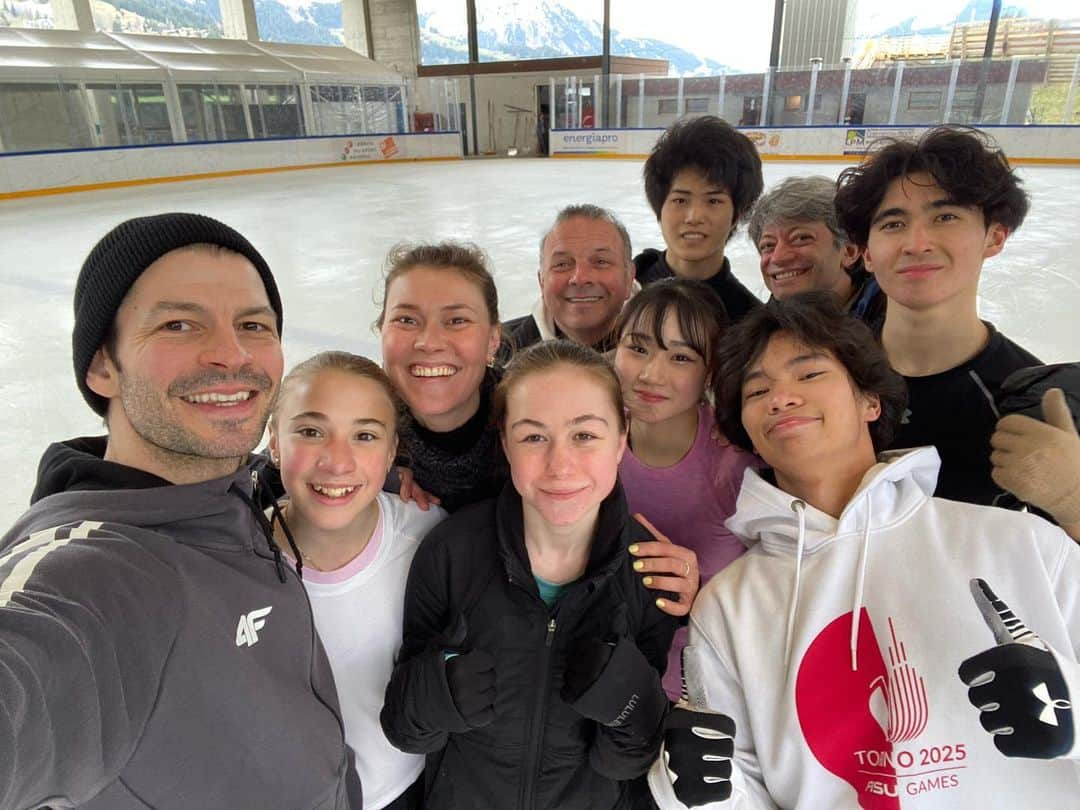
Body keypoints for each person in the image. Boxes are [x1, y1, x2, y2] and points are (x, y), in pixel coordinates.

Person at [648, 293, 1080, 809]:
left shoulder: (1022, 544)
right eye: (756, 389)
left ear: (870, 401)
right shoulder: (729, 606)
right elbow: (735, 787)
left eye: (808, 375)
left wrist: (1069, 703)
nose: (781, 398)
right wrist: (689, 791)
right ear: (750, 438)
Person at [0, 213, 361, 809]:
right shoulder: (97, 576)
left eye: (254, 324)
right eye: (178, 324)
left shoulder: (233, 496)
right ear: (101, 367)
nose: (231, 353)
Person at [381, 340, 680, 809]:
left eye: (584, 436)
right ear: (505, 443)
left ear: (622, 439)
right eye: (533, 437)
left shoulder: (649, 572)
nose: (560, 465)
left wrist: (630, 704)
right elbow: (405, 730)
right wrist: (434, 692)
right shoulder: (449, 552)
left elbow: (627, 763)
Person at [267, 351, 448, 810]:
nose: (337, 461)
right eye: (311, 432)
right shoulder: (233, 558)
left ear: (391, 452)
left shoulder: (428, 536)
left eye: (364, 435)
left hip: (405, 793)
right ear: (273, 443)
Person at [834, 126, 1042, 508]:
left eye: (945, 217)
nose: (916, 244)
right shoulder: (824, 367)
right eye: (893, 224)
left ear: (994, 237)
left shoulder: (1032, 400)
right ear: (866, 253)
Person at [612, 279, 758, 700]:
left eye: (680, 357)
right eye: (637, 348)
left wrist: (700, 599)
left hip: (706, 694)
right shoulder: (585, 437)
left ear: (710, 371)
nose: (650, 374)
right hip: (598, 686)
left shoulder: (741, 462)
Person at [377, 242, 506, 513]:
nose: (429, 342)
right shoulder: (351, 420)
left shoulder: (535, 416)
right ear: (381, 330)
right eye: (407, 320)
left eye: (457, 320)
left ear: (493, 339)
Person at [635, 116, 764, 323]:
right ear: (659, 207)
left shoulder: (748, 321)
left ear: (737, 214)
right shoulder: (623, 289)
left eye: (713, 201)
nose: (693, 217)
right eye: (680, 200)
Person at [747, 175, 885, 329]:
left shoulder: (898, 324)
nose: (778, 258)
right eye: (768, 245)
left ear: (849, 251)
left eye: (801, 238)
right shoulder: (758, 336)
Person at [501, 204, 636, 359]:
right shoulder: (499, 357)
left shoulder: (665, 348)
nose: (580, 278)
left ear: (629, 278)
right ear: (542, 282)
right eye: (562, 264)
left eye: (600, 262)